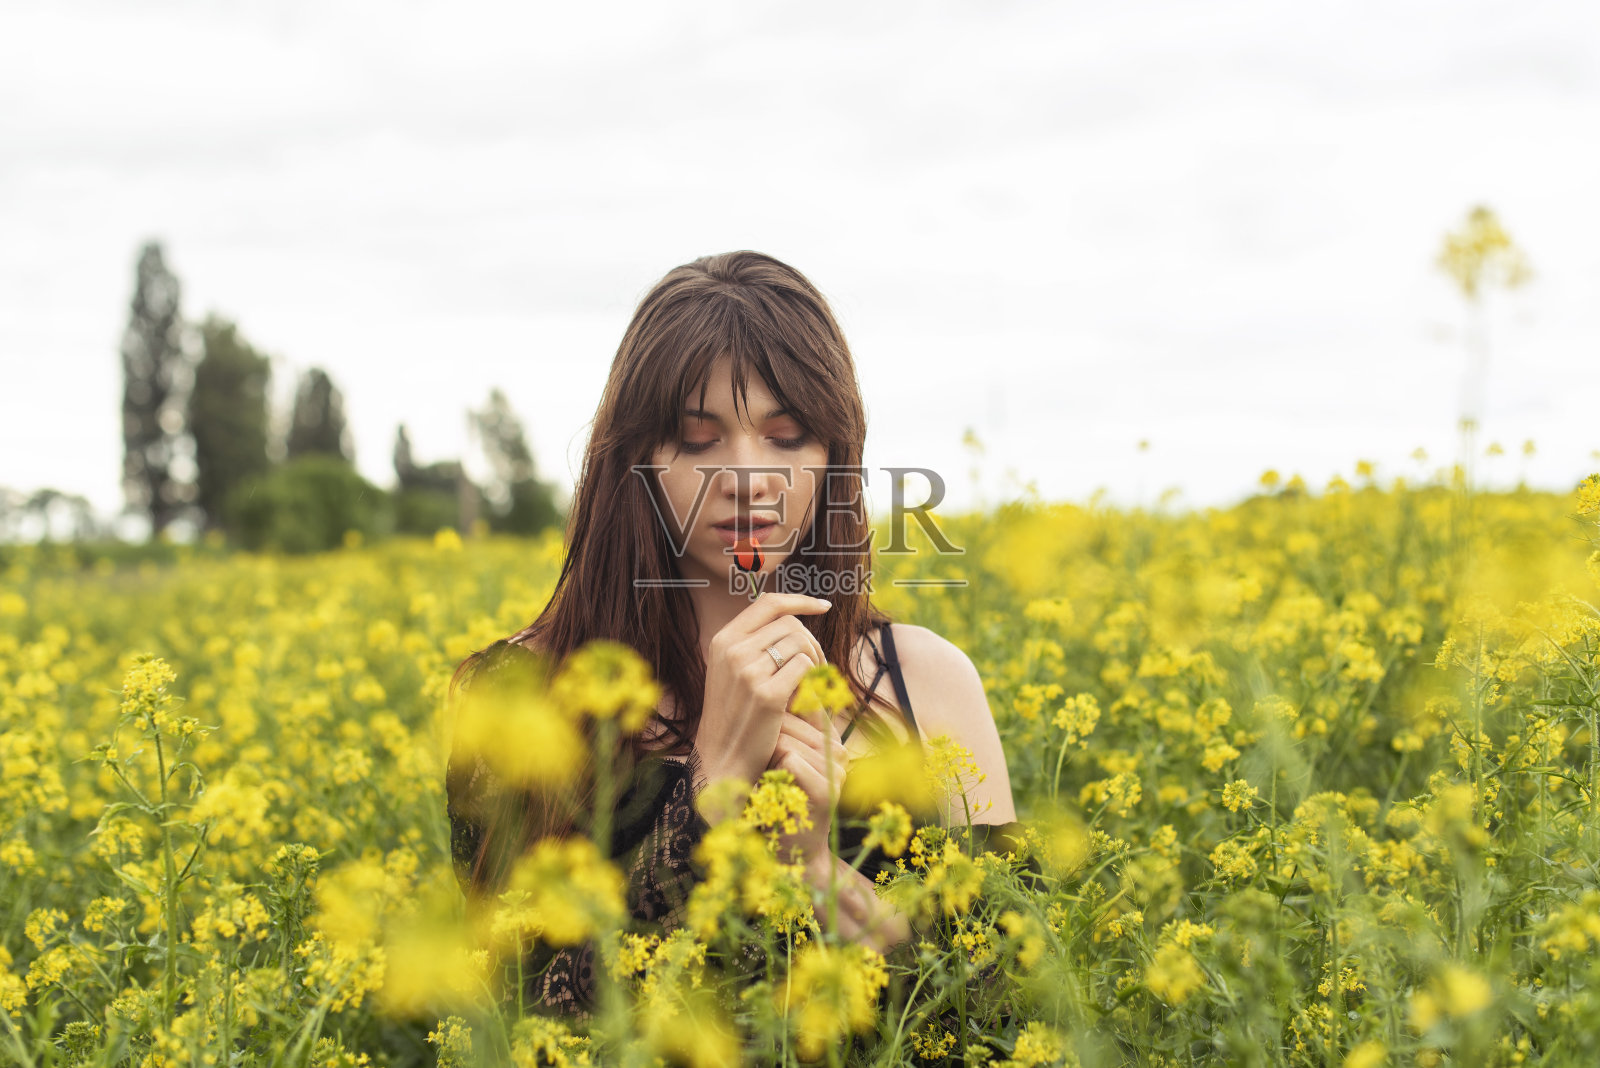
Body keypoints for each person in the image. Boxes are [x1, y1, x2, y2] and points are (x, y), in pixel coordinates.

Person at [445, 250, 1020, 1019]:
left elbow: (1012, 1017)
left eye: (788, 438)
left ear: (834, 461)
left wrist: (816, 876)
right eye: (697, 438)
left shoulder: (926, 683)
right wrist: (707, 793)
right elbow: (509, 1024)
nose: (749, 477)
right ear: (637, 459)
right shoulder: (514, 692)